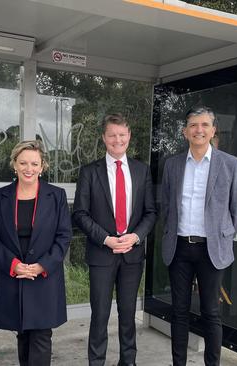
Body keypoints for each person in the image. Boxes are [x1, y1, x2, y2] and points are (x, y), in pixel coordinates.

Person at [160, 106, 237, 366]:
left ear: (213, 130)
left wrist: (225, 234)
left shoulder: (230, 164)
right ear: (185, 132)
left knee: (211, 312)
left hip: (211, 250)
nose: (199, 130)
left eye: (205, 125)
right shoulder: (172, 164)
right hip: (179, 248)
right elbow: (166, 204)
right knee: (179, 311)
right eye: (194, 125)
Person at [73, 113, 157, 366]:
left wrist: (136, 236)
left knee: (128, 315)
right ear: (104, 138)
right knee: (100, 315)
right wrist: (106, 239)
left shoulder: (142, 171)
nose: (117, 140)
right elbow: (80, 213)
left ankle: (127, 362)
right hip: (102, 254)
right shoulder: (89, 172)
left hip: (132, 255)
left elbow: (151, 212)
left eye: (122, 135)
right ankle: (96, 362)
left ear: (129, 136)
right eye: (112, 135)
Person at [0, 140, 72, 366]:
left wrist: (43, 265)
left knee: (41, 336)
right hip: (14, 276)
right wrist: (13, 265)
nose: (28, 168)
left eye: (34, 163)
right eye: (23, 163)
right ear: (14, 164)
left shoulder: (57, 196)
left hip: (43, 277)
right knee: (23, 335)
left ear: (43, 166)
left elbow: (64, 237)